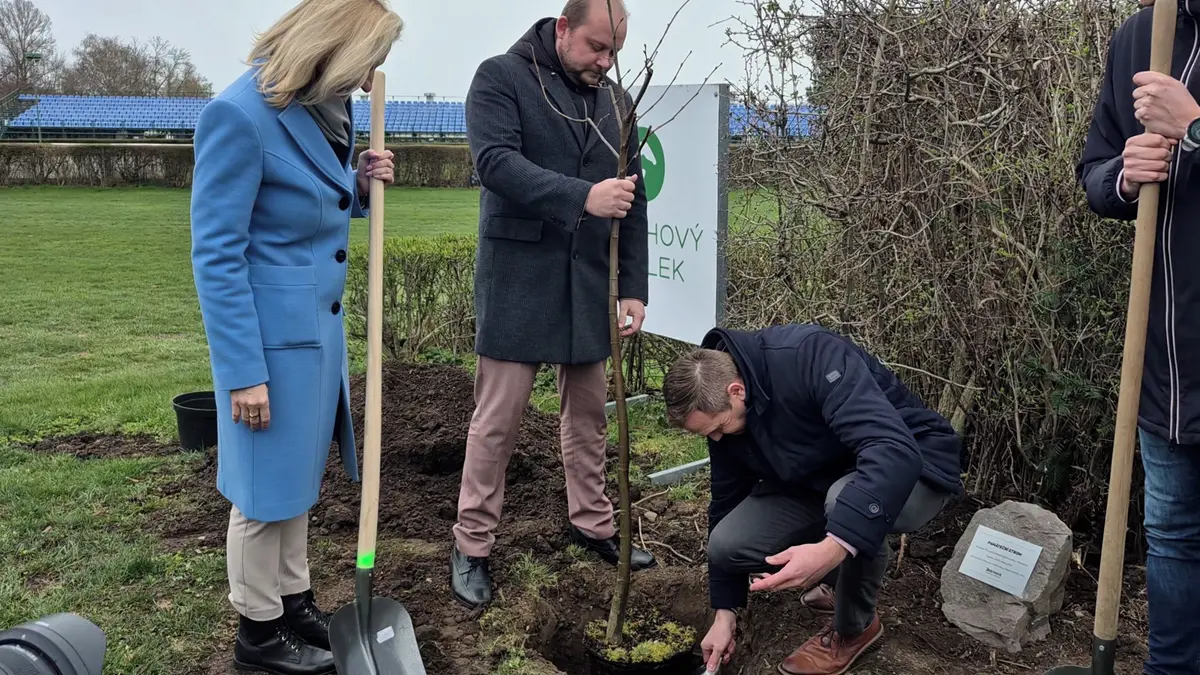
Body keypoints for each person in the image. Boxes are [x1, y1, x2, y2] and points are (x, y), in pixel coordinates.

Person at [189, 1, 402, 672]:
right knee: (259, 493)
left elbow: (311, 203)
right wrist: (243, 371)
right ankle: (257, 634)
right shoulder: (240, 115)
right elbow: (216, 254)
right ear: (335, 47)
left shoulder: (325, 109)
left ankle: (291, 598)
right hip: (268, 348)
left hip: (317, 339)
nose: (373, 76)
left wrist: (359, 185)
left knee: (295, 481)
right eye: (369, 59)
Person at [450, 0, 657, 608]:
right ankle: (472, 543)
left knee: (589, 415)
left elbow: (633, 200)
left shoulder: (617, 102)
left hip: (589, 285)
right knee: (498, 422)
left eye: (615, 52)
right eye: (597, 47)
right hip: (519, 279)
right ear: (563, 28)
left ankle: (592, 525)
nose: (605, 61)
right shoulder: (500, 78)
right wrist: (581, 196)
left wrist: (633, 285)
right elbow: (495, 164)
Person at [661, 324, 964, 675]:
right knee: (727, 544)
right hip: (822, 478)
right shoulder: (724, 414)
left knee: (845, 503)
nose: (715, 439)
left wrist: (833, 546)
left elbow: (890, 450)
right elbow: (726, 500)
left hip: (915, 466)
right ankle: (845, 570)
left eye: (717, 427)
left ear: (736, 391)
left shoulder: (811, 356)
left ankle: (854, 628)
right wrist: (724, 612)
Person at [1078, 1, 1200, 672]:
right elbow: (1092, 170)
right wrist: (1124, 175)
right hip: (1167, 366)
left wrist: (1196, 128)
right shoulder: (1139, 38)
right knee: (1173, 538)